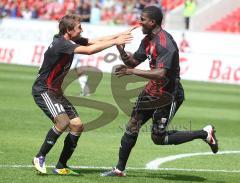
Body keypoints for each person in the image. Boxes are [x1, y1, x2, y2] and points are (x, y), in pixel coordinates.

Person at [101, 5, 218, 177]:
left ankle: (204, 133)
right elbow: (132, 62)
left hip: (168, 95)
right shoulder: (147, 40)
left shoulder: (166, 44)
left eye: (143, 19)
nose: (139, 22)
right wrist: (120, 49)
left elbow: (161, 73)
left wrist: (131, 72)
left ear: (152, 21)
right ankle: (119, 169)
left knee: (158, 138)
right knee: (133, 124)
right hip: (151, 91)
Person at [32, 13, 134, 175]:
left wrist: (120, 35)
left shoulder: (67, 39)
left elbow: (94, 41)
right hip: (44, 90)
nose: (82, 30)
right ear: (68, 30)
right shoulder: (61, 44)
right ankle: (40, 156)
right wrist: (116, 41)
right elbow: (89, 51)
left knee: (77, 125)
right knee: (63, 121)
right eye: (79, 27)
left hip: (55, 91)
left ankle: (61, 166)